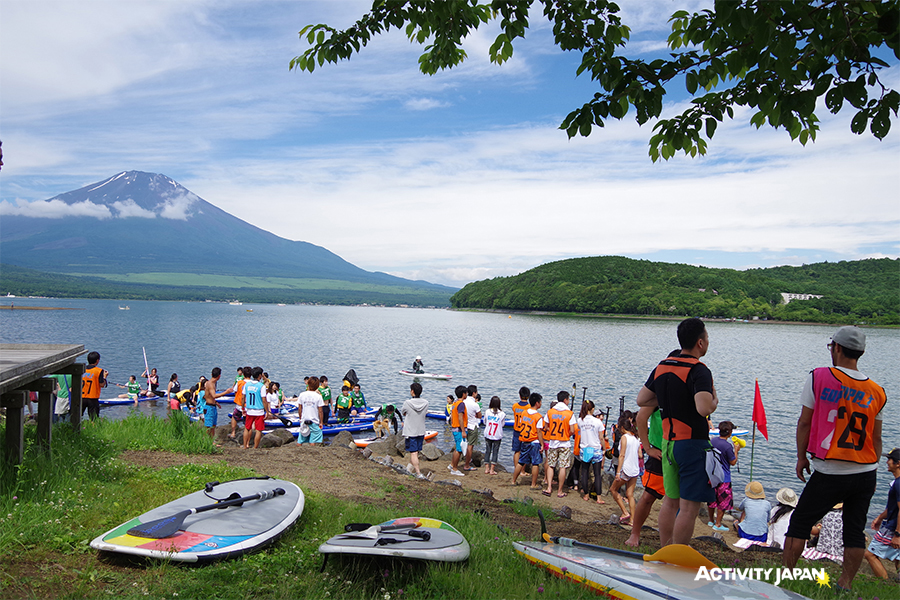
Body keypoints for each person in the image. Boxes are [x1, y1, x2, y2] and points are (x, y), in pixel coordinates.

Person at [782, 326, 886, 592]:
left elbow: (804, 422)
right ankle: (845, 585)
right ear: (860, 353)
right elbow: (876, 439)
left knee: (800, 523)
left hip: (831, 468)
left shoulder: (819, 377)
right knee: (854, 530)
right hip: (866, 470)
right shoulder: (877, 391)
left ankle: (786, 578)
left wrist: (800, 457)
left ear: (836, 348)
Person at [636, 317, 717, 546]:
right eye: (707, 338)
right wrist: (715, 400)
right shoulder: (699, 370)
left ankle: (665, 549)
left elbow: (641, 399)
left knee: (670, 502)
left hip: (667, 443)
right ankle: (678, 554)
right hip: (691, 443)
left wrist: (665, 397)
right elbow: (703, 408)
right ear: (700, 343)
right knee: (689, 507)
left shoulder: (662, 365)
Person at [627, 404, 667, 547]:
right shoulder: (660, 391)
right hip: (659, 452)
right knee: (649, 496)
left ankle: (676, 540)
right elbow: (640, 417)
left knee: (681, 500)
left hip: (681, 451)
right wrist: (648, 448)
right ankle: (634, 534)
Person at [863, 448, 900, 579]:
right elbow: (893, 507)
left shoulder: (898, 484)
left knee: (870, 554)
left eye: (889, 460)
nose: (887, 462)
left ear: (898, 463)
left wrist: (897, 534)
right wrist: (879, 517)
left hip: (894, 527)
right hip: (894, 524)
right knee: (898, 556)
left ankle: (884, 583)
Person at [541, 391, 578, 498]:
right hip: (565, 442)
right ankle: (560, 491)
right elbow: (572, 430)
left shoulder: (550, 412)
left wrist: (552, 430)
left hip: (553, 442)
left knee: (551, 465)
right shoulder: (569, 413)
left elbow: (546, 426)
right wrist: (567, 434)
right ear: (566, 400)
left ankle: (549, 488)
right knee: (563, 467)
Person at [707, 421, 738, 531]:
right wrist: (736, 450)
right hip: (724, 477)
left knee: (712, 499)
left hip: (712, 475)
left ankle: (710, 520)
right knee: (723, 501)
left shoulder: (713, 441)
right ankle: (718, 524)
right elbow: (733, 462)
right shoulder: (728, 446)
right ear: (729, 432)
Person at [610, 413, 641, 525]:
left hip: (626, 469)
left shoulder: (624, 437)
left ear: (622, 428)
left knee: (613, 489)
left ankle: (625, 512)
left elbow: (621, 455)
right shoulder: (636, 438)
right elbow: (640, 455)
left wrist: (618, 472)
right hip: (635, 469)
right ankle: (632, 520)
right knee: (630, 494)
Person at [511, 393, 544, 489]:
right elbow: (539, 432)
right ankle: (533, 484)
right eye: (540, 402)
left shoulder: (524, 413)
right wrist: (542, 444)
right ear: (537, 403)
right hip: (534, 441)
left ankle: (513, 481)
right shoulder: (538, 417)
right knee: (535, 463)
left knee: (521, 461)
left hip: (524, 440)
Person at [576, 399, 606, 505]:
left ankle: (586, 494)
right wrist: (604, 448)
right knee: (597, 474)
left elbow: (579, 433)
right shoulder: (597, 422)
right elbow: (601, 437)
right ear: (592, 409)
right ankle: (598, 497)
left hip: (585, 449)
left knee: (584, 472)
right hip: (596, 449)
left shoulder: (580, 420)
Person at [401, 382, 430, 478]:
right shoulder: (426, 403)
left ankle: (418, 473)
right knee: (415, 452)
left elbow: (403, 413)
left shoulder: (407, 403)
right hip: (420, 430)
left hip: (410, 432)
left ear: (412, 392)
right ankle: (408, 469)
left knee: (413, 453)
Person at [242, 367, 271, 449]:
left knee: (247, 428)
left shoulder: (247, 384)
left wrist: (242, 408)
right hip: (259, 411)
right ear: (259, 376)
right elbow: (264, 400)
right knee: (258, 430)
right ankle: (255, 447)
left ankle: (245, 446)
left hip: (249, 409)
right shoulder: (261, 386)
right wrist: (267, 411)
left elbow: (242, 397)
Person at [296, 376, 325, 446]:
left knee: (301, 438)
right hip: (314, 420)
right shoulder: (318, 396)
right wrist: (321, 422)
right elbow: (320, 411)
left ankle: (297, 451)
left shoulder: (302, 395)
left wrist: (300, 418)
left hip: (304, 419)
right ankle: (312, 453)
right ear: (317, 386)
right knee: (314, 439)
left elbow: (300, 409)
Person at [448, 385, 469, 477]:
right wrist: (463, 431)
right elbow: (460, 417)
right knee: (459, 449)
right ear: (464, 394)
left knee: (457, 447)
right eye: (466, 393)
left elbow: (452, 416)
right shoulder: (461, 404)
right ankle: (455, 469)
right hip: (459, 429)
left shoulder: (454, 403)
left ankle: (452, 465)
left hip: (454, 428)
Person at [81, 351, 107, 420]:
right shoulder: (99, 371)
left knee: (77, 416)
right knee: (94, 418)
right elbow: (101, 384)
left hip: (81, 396)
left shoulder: (82, 369)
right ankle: (93, 429)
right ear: (97, 361)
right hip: (93, 397)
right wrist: (104, 377)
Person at [483, 396, 506, 475]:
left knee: (487, 451)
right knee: (495, 452)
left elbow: (485, 422)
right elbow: (502, 424)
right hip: (497, 435)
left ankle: (487, 469)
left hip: (488, 434)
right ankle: (492, 470)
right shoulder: (502, 414)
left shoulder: (487, 411)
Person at [462, 384, 482, 471]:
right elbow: (479, 415)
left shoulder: (463, 402)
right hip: (472, 425)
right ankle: (467, 464)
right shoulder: (475, 404)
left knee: (463, 444)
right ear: (474, 393)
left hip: (464, 426)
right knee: (470, 446)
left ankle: (464, 460)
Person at [203, 367, 227, 441]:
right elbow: (213, 395)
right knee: (208, 426)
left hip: (212, 406)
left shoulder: (213, 383)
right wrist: (226, 392)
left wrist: (216, 402)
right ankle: (206, 441)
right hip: (209, 407)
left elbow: (208, 395)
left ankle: (212, 441)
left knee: (213, 425)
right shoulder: (210, 384)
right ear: (219, 376)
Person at [511, 386, 531, 468]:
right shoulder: (529, 407)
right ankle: (522, 470)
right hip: (525, 431)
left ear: (520, 395)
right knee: (525, 451)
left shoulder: (515, 406)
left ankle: (516, 468)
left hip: (516, 430)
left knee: (517, 451)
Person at [229, 366, 250, 440]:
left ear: (243, 374)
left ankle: (233, 432)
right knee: (248, 421)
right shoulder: (252, 383)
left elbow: (235, 391)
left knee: (234, 417)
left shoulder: (239, 383)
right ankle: (247, 435)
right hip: (249, 405)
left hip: (239, 404)